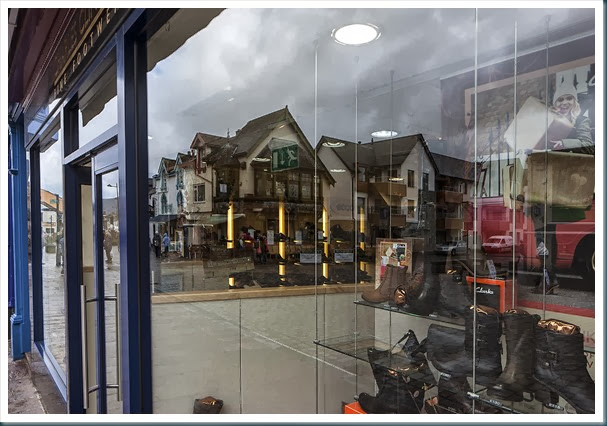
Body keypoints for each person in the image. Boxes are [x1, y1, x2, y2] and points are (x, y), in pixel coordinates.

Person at [525, 80, 594, 294]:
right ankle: (548, 276)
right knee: (542, 234)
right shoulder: (548, 122)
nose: (564, 102)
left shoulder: (580, 120)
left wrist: (563, 144)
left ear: (575, 101)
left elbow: (589, 146)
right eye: (560, 99)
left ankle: (548, 277)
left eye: (568, 98)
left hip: (564, 187)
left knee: (547, 233)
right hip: (542, 184)